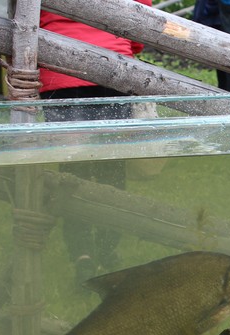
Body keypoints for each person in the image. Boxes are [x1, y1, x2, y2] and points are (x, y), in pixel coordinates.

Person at [39, 2, 151, 283]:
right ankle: (107, 248)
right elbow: (142, 17)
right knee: (112, 167)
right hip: (113, 64)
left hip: (59, 64)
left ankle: (82, 254)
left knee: (71, 169)